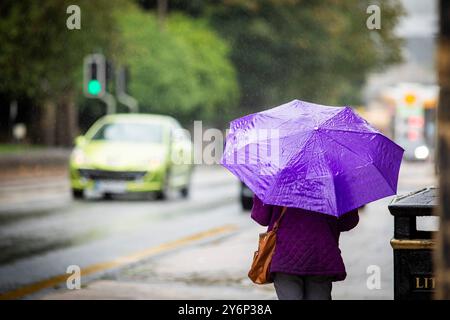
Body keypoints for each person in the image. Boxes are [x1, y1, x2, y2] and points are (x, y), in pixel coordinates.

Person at [251, 195, 359, 300]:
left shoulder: (277, 179)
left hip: (285, 257)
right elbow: (348, 222)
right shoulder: (335, 181)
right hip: (321, 255)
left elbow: (261, 218)